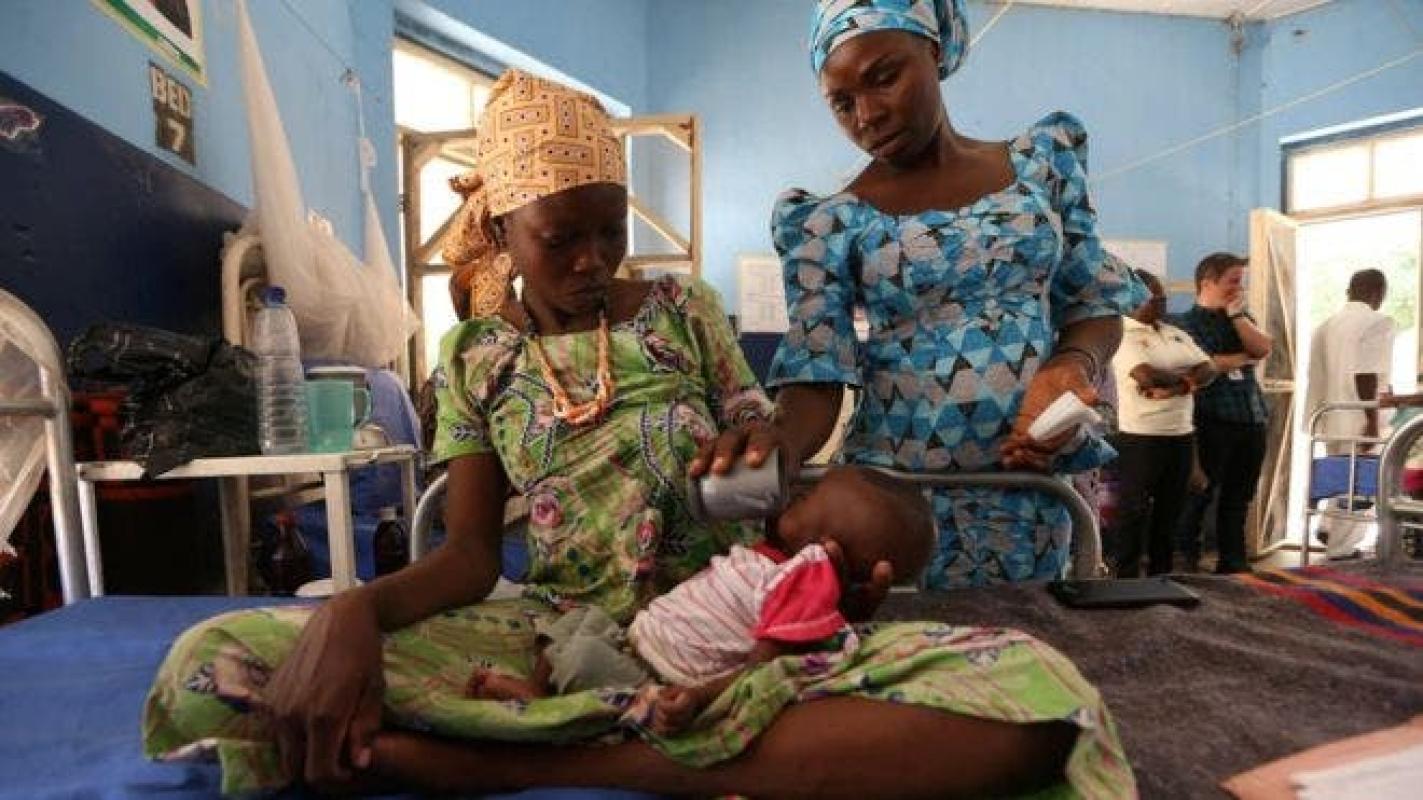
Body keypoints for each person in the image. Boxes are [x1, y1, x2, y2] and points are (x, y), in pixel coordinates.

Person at [143, 69, 1133, 799]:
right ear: (503, 231)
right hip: (554, 637)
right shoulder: (477, 355)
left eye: (610, 231)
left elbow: (765, 458)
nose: (592, 260)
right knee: (213, 665)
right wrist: (351, 613)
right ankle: (658, 740)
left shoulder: (683, 311)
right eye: (560, 238)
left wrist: (787, 501)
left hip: (734, 635)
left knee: (1039, 694)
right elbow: (470, 556)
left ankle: (530, 757)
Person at [693, 0, 1147, 589]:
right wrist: (778, 445)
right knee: (903, 635)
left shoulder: (1041, 167)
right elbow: (816, 374)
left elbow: (1092, 302)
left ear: (934, 51)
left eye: (885, 77)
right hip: (891, 506)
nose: (868, 115)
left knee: (1026, 631)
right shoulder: (828, 222)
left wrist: (1071, 366)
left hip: (1027, 490)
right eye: (842, 103)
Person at [467, 466, 935, 738]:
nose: (798, 494)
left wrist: (699, 699)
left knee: (583, 659)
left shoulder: (804, 578)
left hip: (657, 679)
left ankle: (548, 710)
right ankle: (536, 686)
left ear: (826, 543)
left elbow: (763, 668)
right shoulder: (777, 560)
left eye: (812, 498)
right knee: (580, 620)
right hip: (635, 641)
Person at [1108, 270, 1216, 577]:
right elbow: (1146, 376)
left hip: (1181, 435)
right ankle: (1125, 579)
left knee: (1171, 511)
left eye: (1164, 297)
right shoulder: (1120, 333)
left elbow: (1209, 369)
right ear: (1133, 300)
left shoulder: (1174, 333)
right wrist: (1189, 379)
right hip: (1139, 437)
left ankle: (1162, 575)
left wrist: (1178, 386)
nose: (1162, 303)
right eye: (1155, 298)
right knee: (1133, 511)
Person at [1173, 252, 1273, 574]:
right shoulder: (1183, 324)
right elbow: (1205, 365)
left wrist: (1237, 317)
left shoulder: (1241, 318)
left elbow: (1262, 348)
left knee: (1239, 496)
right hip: (1209, 419)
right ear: (1207, 282)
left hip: (1251, 417)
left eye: (1241, 282)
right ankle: (1185, 561)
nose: (1238, 288)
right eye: (1233, 281)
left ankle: (1234, 563)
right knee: (1199, 494)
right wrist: (1238, 358)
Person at [1305, 269, 1392, 558]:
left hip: (1329, 416)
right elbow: (1365, 374)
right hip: (1359, 416)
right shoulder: (1377, 322)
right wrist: (1371, 420)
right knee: (1360, 484)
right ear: (1378, 293)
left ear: (1349, 292)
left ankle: (1329, 528)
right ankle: (1341, 550)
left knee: (1340, 475)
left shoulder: (1326, 325)